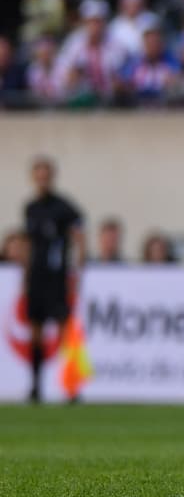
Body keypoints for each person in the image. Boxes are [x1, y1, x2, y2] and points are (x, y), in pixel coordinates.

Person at [21, 157, 86, 403]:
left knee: (63, 332)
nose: (43, 179)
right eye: (38, 174)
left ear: (52, 177)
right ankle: (36, 386)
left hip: (56, 276)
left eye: (46, 174)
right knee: (36, 332)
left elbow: (79, 237)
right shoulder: (30, 208)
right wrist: (25, 277)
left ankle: (70, 387)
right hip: (37, 276)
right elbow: (28, 244)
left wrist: (77, 270)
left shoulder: (64, 207)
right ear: (33, 178)